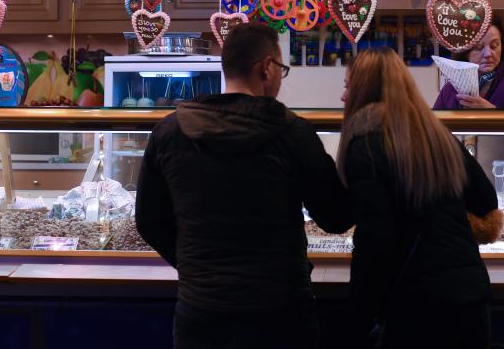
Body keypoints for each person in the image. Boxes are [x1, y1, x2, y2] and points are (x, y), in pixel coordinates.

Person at [136, 23, 352, 349]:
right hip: (280, 313)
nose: (280, 77)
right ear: (266, 68)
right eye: (281, 68)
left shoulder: (169, 132)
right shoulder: (293, 133)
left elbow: (149, 221)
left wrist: (196, 267)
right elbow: (335, 217)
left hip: (202, 313)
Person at [338, 47, 502, 349]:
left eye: (348, 87)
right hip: (470, 296)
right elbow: (486, 202)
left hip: (416, 305)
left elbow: (375, 241)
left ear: (364, 90)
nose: (343, 97)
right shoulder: (436, 133)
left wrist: (357, 319)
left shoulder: (367, 144)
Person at [433, 15, 504, 189]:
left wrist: (493, 113)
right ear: (465, 51)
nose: (488, 54)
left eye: (495, 45)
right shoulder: (450, 90)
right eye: (479, 48)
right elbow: (433, 138)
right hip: (465, 187)